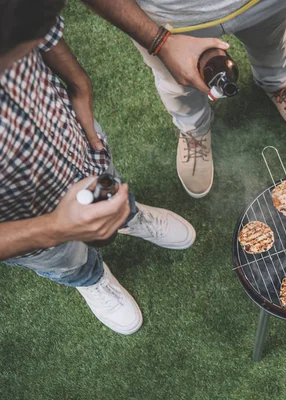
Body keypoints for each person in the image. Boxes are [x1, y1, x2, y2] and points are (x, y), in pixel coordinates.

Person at [0, 0, 196, 335]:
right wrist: (55, 229)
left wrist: (80, 86)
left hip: (77, 147)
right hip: (27, 226)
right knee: (64, 259)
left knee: (113, 189)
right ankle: (91, 278)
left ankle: (130, 218)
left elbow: (37, 27)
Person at [81, 0, 286, 198]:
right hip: (169, 19)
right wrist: (158, 41)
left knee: (272, 47)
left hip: (265, 4)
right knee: (178, 86)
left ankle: (276, 83)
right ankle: (193, 127)